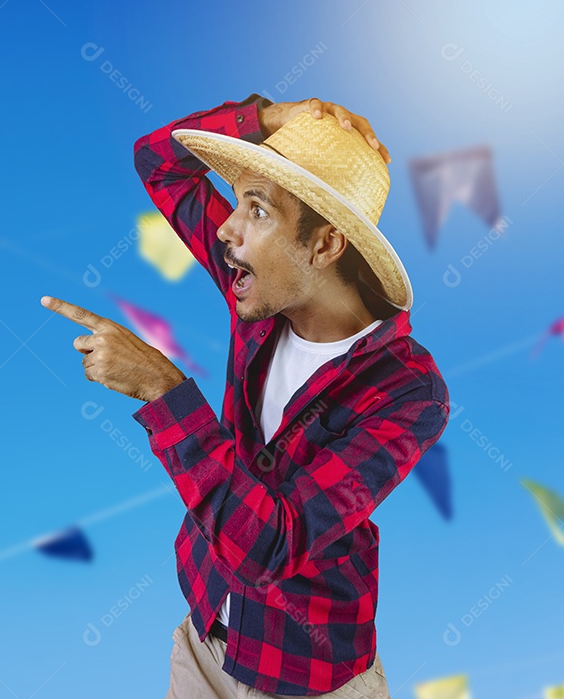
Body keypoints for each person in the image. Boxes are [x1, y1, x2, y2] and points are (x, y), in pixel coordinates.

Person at [40, 94, 449, 697]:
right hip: (204, 641)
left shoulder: (408, 391)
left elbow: (270, 546)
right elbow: (160, 162)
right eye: (237, 203)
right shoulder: (261, 293)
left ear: (325, 245)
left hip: (309, 679)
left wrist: (164, 389)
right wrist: (267, 119)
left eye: (256, 209)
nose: (228, 229)